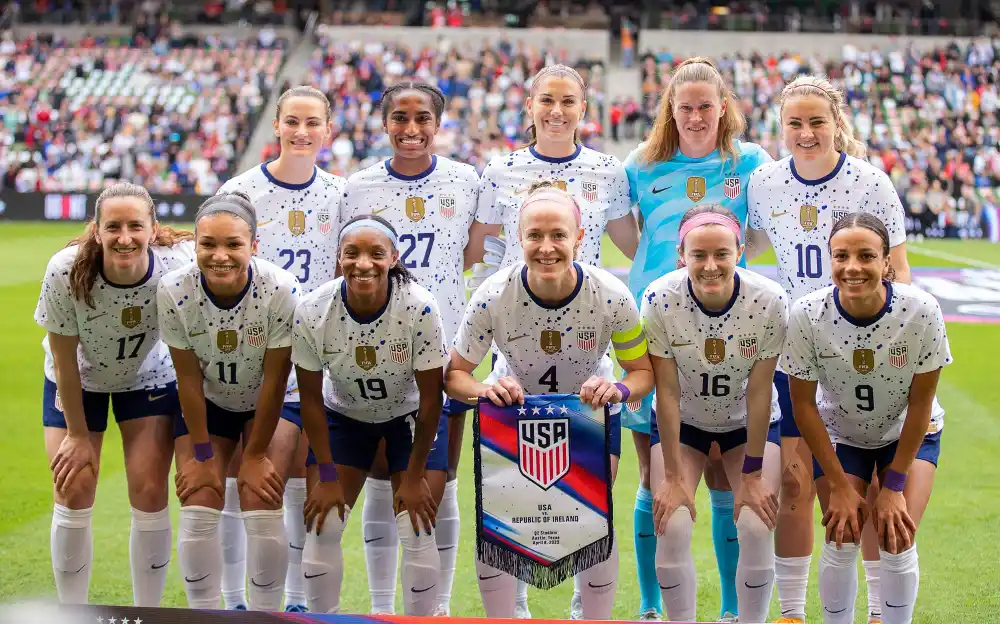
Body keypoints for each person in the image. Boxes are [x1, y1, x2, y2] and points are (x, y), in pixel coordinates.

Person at [474, 62, 639, 621]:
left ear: (584, 109)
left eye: (569, 101)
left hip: (586, 346)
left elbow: (634, 249)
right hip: (518, 344)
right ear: (530, 106)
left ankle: (583, 609)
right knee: (514, 491)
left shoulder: (606, 171)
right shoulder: (500, 170)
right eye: (547, 100)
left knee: (592, 493)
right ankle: (515, 607)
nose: (557, 111)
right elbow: (489, 254)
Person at [746, 75, 914, 624]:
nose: (806, 132)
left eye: (817, 121)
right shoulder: (764, 182)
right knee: (794, 484)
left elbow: (899, 272)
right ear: (780, 126)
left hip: (859, 354)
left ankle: (877, 610)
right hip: (794, 350)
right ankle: (793, 612)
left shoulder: (871, 182)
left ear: (836, 123)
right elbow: (747, 247)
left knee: (867, 486)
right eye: (794, 122)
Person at [445, 182, 654, 621]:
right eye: (534, 235)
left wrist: (617, 390)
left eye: (558, 234)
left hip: (588, 416)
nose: (546, 247)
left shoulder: (611, 295)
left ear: (579, 237)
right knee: (504, 522)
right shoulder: (493, 295)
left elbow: (642, 373)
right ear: (518, 238)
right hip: (514, 416)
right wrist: (484, 391)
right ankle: (512, 614)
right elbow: (455, 376)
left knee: (591, 518)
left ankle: (587, 615)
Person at [623, 56, 772, 621]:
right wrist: (662, 271)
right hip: (656, 322)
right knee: (655, 473)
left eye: (706, 106)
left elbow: (760, 234)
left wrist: (720, 267)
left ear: (723, 107)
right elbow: (628, 235)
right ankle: (649, 603)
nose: (695, 116)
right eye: (684, 107)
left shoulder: (750, 161)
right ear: (670, 109)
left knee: (719, 473)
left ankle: (732, 607)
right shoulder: (642, 163)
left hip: (727, 322)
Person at [340, 81, 482, 617]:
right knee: (382, 477)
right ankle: (382, 607)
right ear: (384, 124)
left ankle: (436, 607)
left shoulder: (465, 180)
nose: (411, 129)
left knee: (441, 478)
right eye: (400, 118)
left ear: (438, 124)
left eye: (423, 118)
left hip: (447, 350)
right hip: (377, 349)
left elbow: (471, 252)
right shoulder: (358, 187)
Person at [783, 213, 951, 624]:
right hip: (842, 435)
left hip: (907, 432)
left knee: (897, 537)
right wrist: (840, 486)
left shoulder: (921, 310)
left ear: (886, 261)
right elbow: (803, 406)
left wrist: (893, 486)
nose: (852, 267)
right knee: (841, 537)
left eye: (866, 256)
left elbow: (921, 403)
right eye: (841, 256)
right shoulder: (807, 314)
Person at [216, 85, 347, 613]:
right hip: (248, 350)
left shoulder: (341, 193)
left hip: (313, 352)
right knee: (237, 477)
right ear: (276, 125)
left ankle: (294, 601)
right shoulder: (241, 190)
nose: (301, 131)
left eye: (313, 122)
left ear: (328, 130)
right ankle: (232, 600)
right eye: (292, 121)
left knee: (294, 474)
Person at [34, 182, 194, 607]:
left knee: (149, 491)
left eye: (135, 226)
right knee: (74, 486)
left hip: (147, 376)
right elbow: (63, 359)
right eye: (113, 227)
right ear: (97, 230)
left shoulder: (178, 263)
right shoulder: (65, 270)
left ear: (153, 228)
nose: (125, 238)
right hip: (78, 380)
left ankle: (147, 613)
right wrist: (77, 434)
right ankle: (73, 612)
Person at [293, 215, 447, 617]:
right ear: (338, 256)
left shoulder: (419, 307)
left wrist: (414, 476)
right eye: (352, 253)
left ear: (394, 258)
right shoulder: (313, 310)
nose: (363, 264)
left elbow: (432, 399)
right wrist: (327, 476)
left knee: (417, 526)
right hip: (344, 416)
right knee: (324, 525)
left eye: (376, 253)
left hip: (409, 417)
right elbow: (310, 400)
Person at [156, 192, 300, 611]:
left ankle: (264, 616)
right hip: (210, 399)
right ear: (195, 244)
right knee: (199, 496)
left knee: (261, 495)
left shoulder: (280, 288)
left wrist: (254, 455)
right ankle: (204, 614)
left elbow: (275, 380)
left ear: (254, 245)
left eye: (233, 244)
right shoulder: (173, 290)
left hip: (272, 400)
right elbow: (187, 378)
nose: (220, 256)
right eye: (208, 244)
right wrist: (202, 452)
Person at [641, 204, 785, 623]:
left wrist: (753, 474)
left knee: (756, 524)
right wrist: (671, 477)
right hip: (684, 424)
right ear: (680, 255)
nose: (710, 266)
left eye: (722, 253)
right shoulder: (659, 298)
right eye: (698, 255)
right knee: (672, 523)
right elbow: (667, 392)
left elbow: (760, 391)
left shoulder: (769, 300)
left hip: (746, 424)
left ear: (739, 251)